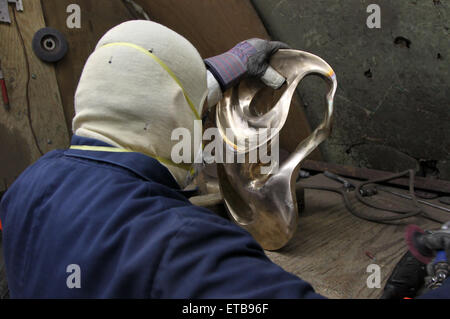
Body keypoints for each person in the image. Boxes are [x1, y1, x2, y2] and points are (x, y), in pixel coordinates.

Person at [0, 20, 448, 299]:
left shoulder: (26, 187)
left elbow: (148, 89)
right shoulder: (187, 248)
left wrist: (228, 65)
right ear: (178, 112)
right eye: (197, 109)